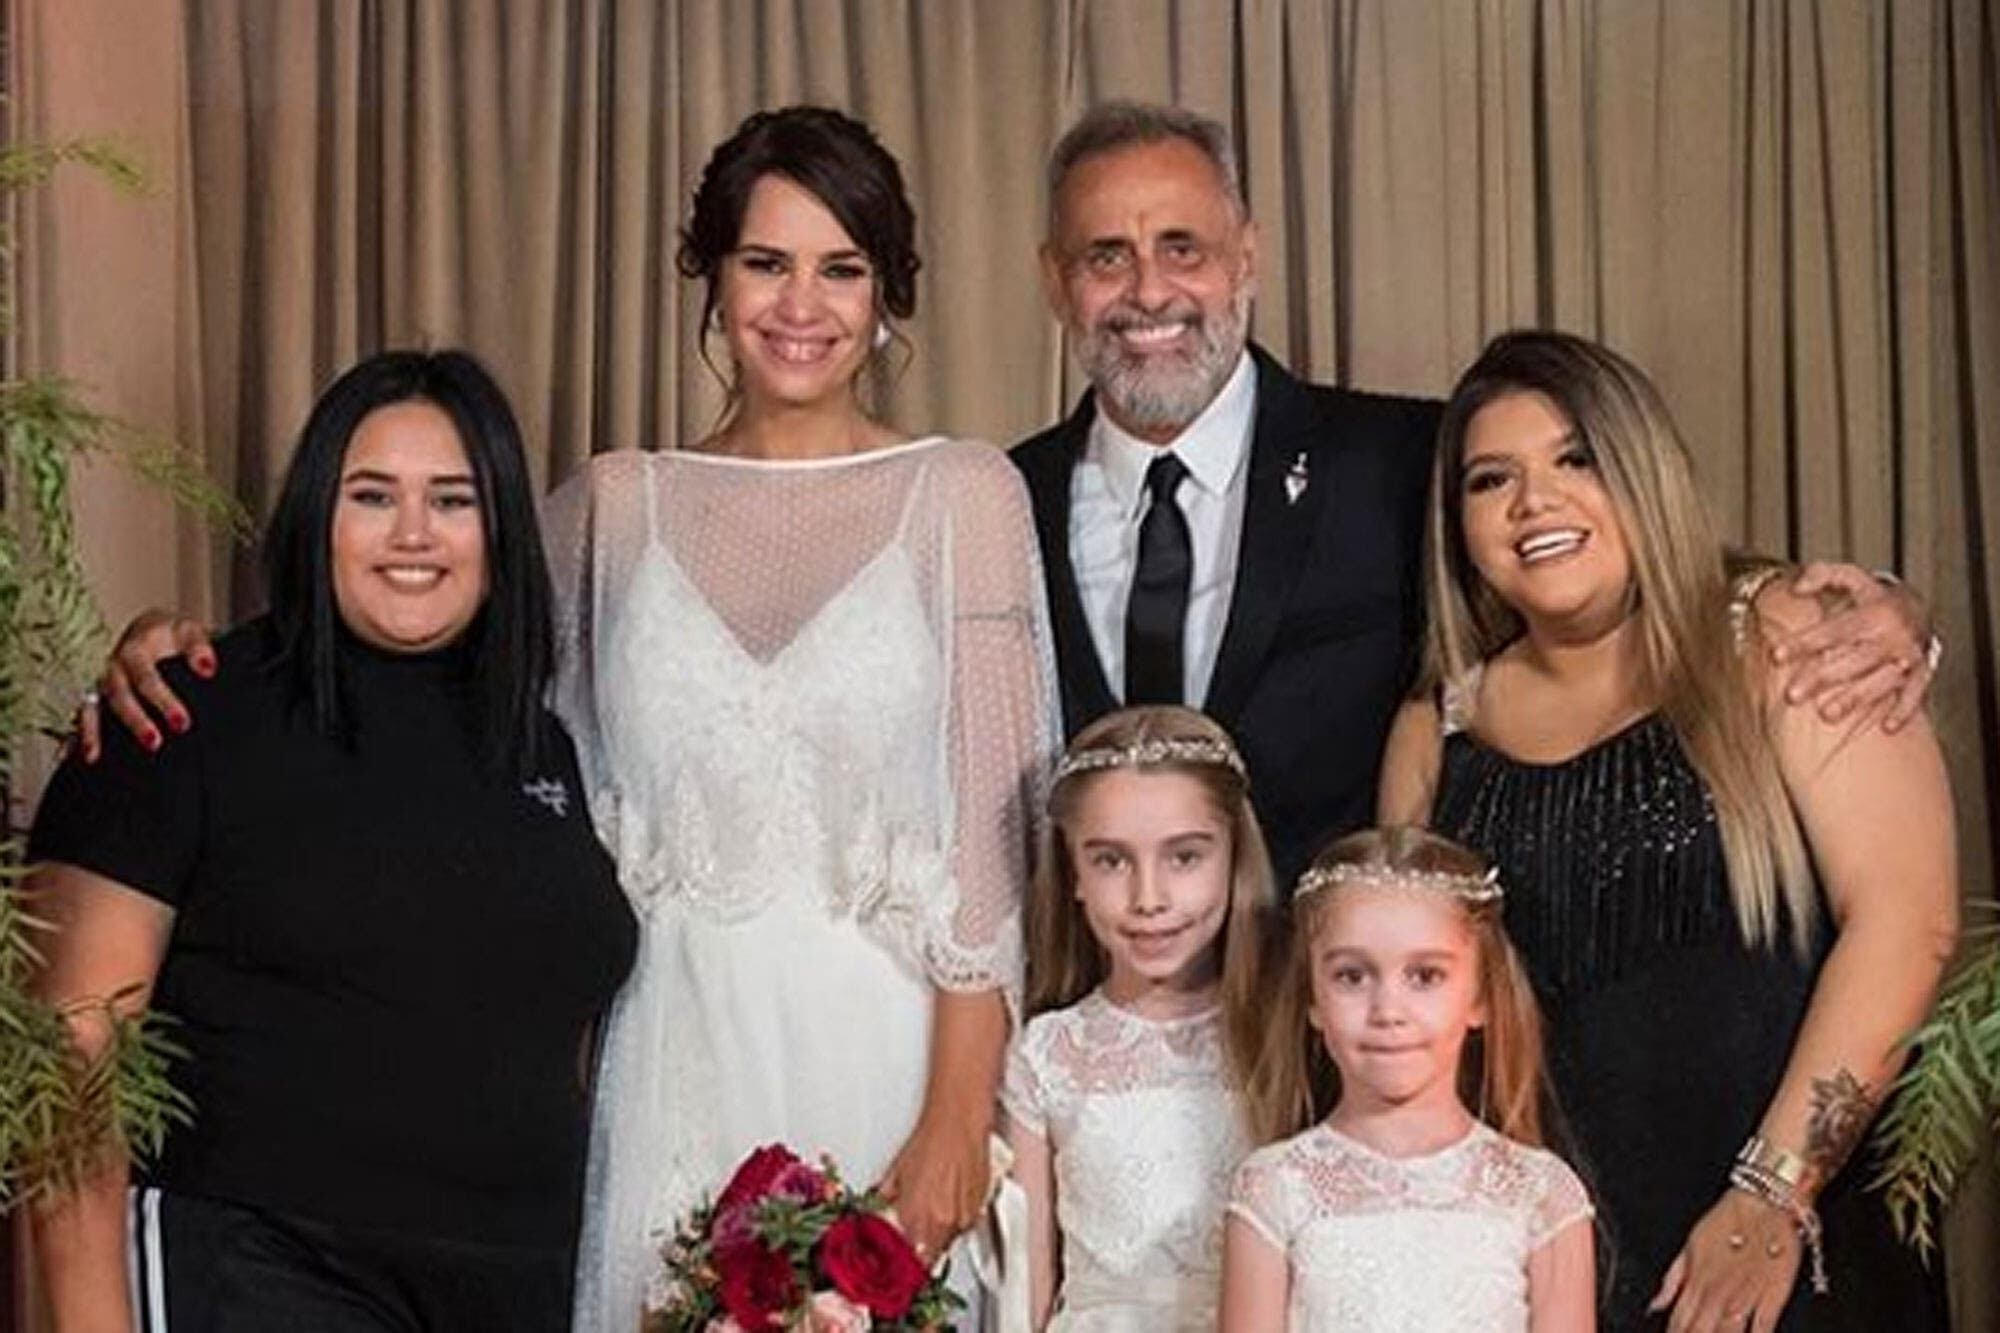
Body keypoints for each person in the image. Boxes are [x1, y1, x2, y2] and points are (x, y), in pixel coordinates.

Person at [69, 108, 1058, 1332]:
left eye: (840, 268)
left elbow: (993, 856)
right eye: (764, 262)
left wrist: (956, 1121)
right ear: (708, 274)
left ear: (886, 291)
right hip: (664, 1060)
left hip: (887, 1046)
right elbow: (411, 631)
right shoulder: (611, 507)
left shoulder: (962, 495)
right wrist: (178, 647)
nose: (800, 304)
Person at [1010, 100, 1940, 888]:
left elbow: (1620, 558)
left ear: (1246, 258)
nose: (1150, 291)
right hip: (1090, 1041)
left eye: (1183, 247)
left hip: (1352, 1040)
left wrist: (1875, 608)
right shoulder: (1001, 501)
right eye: (1106, 257)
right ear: (1055, 280)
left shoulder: (1409, 456)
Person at [26, 350, 637, 1330]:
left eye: (452, 500)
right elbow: (70, 1058)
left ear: (500, 532)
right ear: (316, 516)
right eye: (371, 495)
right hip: (263, 1263)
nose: (412, 534)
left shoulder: (545, 741)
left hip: (519, 1278)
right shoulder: (180, 716)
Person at [1378, 330, 1959, 1329]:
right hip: (1551, 1274)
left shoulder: (1782, 636)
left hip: (1794, 1249)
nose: (1534, 503)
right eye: (1488, 479)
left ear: (1639, 468)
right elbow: (1404, 1025)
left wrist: (1772, 1193)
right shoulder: (1437, 728)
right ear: (1458, 525)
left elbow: (1906, 921)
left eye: (1575, 459)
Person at [1221, 827, 1596, 1331]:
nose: (1387, 1011)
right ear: (1312, 999)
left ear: (1480, 997)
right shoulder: (1273, 1190)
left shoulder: (1544, 1196)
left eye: (1425, 976)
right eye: (1352, 976)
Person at [999, 706, 1277, 1331]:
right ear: (1073, 874)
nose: (1148, 898)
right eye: (1111, 861)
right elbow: (1029, 1281)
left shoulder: (1283, 1034)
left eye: (1184, 858)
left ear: (1234, 860)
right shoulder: (1048, 1053)